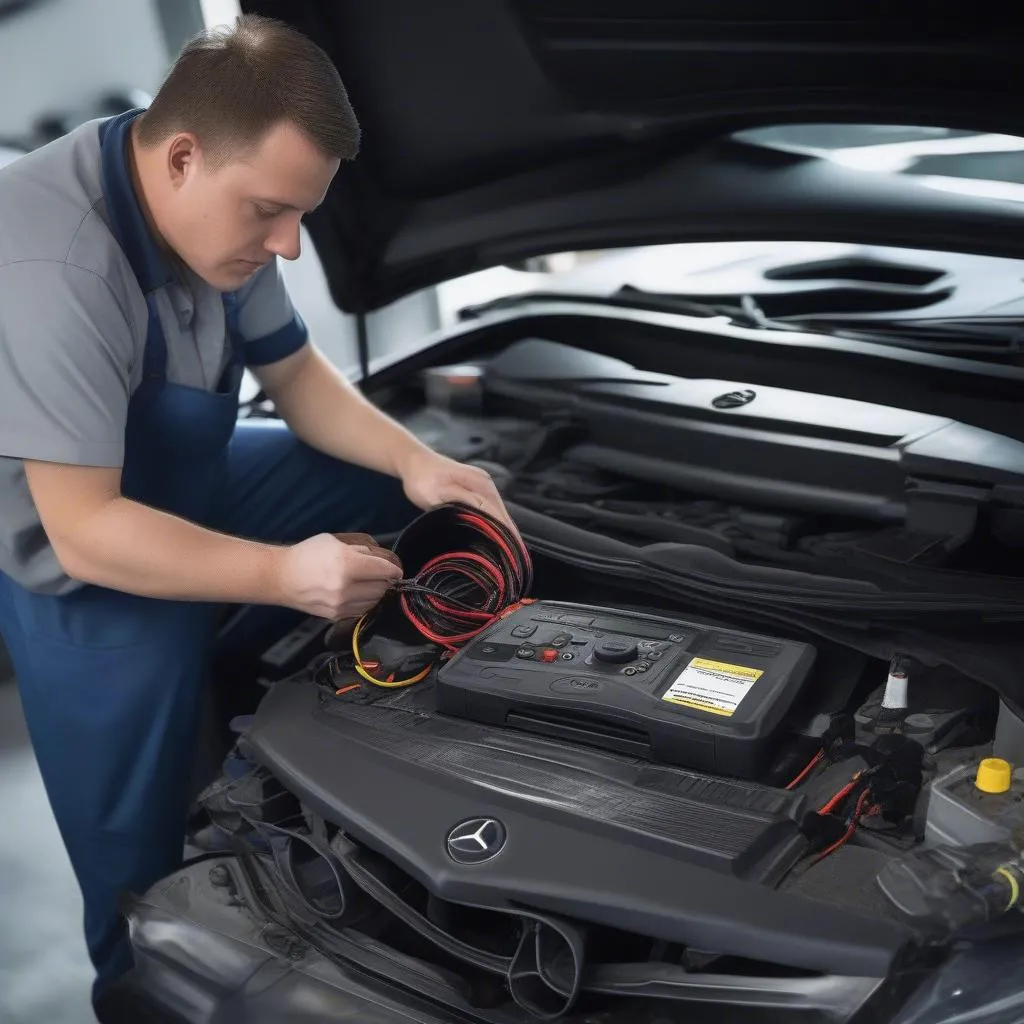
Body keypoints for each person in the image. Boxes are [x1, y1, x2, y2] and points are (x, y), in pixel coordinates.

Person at [0, 13, 514, 1011]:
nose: (287, 244)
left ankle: (248, 667)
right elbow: (88, 529)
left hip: (191, 469)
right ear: (184, 157)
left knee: (391, 492)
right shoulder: (52, 268)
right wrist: (287, 574)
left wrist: (419, 464)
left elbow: (298, 375)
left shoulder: (206, 197)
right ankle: (135, 992)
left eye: (302, 215)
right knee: (137, 866)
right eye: (271, 213)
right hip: (92, 564)